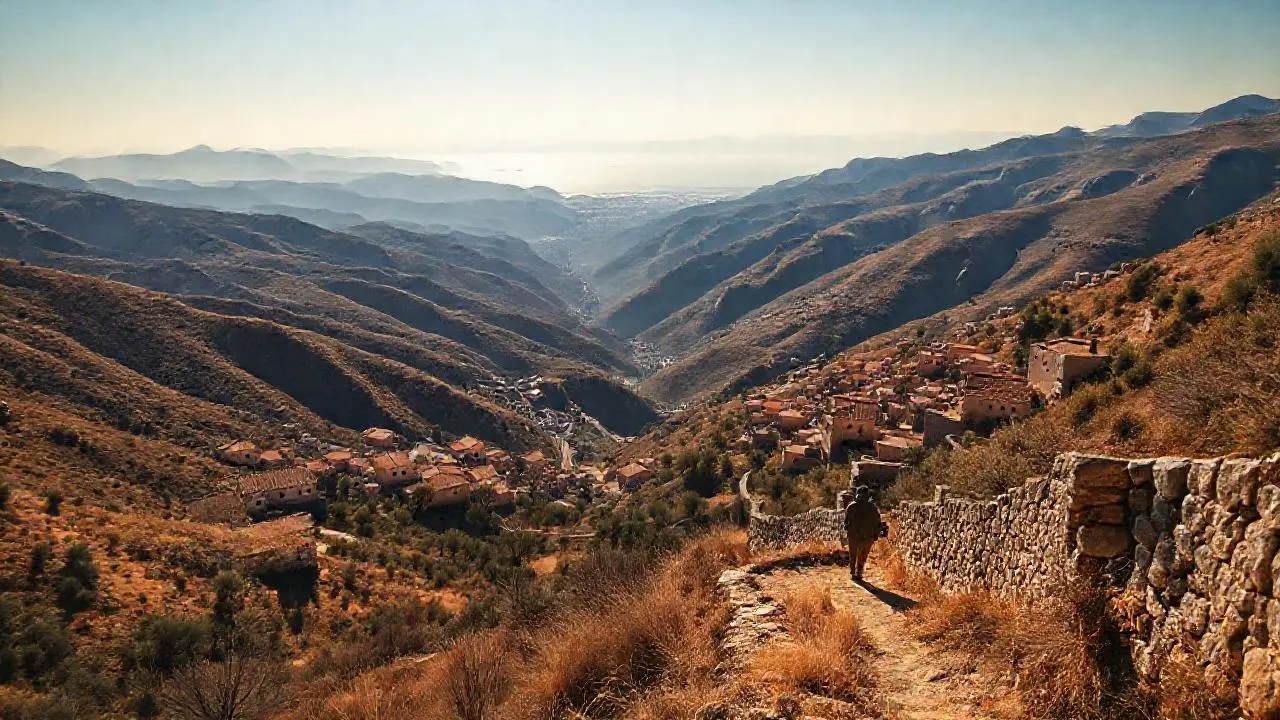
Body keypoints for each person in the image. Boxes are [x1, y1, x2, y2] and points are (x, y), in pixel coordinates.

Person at [843, 485, 881, 582]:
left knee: (854, 554)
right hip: (866, 535)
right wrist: (876, 534)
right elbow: (877, 522)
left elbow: (846, 522)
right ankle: (858, 572)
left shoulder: (852, 506)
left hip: (854, 534)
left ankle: (853, 572)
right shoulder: (872, 508)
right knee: (862, 554)